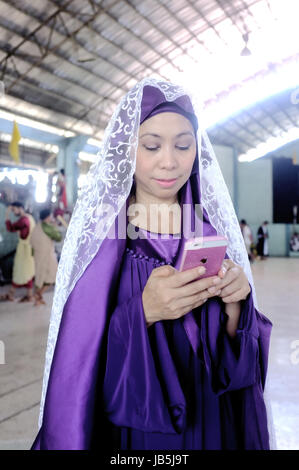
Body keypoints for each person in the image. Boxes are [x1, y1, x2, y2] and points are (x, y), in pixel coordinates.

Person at [31, 79, 274, 450]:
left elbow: (235, 370)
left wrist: (236, 305)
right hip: (139, 426)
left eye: (183, 145)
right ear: (127, 148)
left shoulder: (208, 232)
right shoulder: (104, 238)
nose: (170, 161)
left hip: (209, 421)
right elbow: (79, 356)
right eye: (151, 145)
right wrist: (142, 312)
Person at [0, 202, 35, 302]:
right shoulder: (30, 218)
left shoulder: (23, 220)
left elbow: (10, 228)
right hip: (29, 248)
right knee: (27, 271)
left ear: (20, 208)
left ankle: (12, 294)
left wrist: (7, 215)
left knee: (19, 271)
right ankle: (29, 295)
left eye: (14, 209)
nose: (13, 212)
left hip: (24, 250)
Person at [30, 208, 62, 306]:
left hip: (37, 255)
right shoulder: (48, 227)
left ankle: (38, 298)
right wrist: (55, 226)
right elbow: (58, 237)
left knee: (39, 277)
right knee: (52, 275)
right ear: (48, 217)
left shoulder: (37, 227)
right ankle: (38, 295)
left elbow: (31, 243)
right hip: (47, 256)